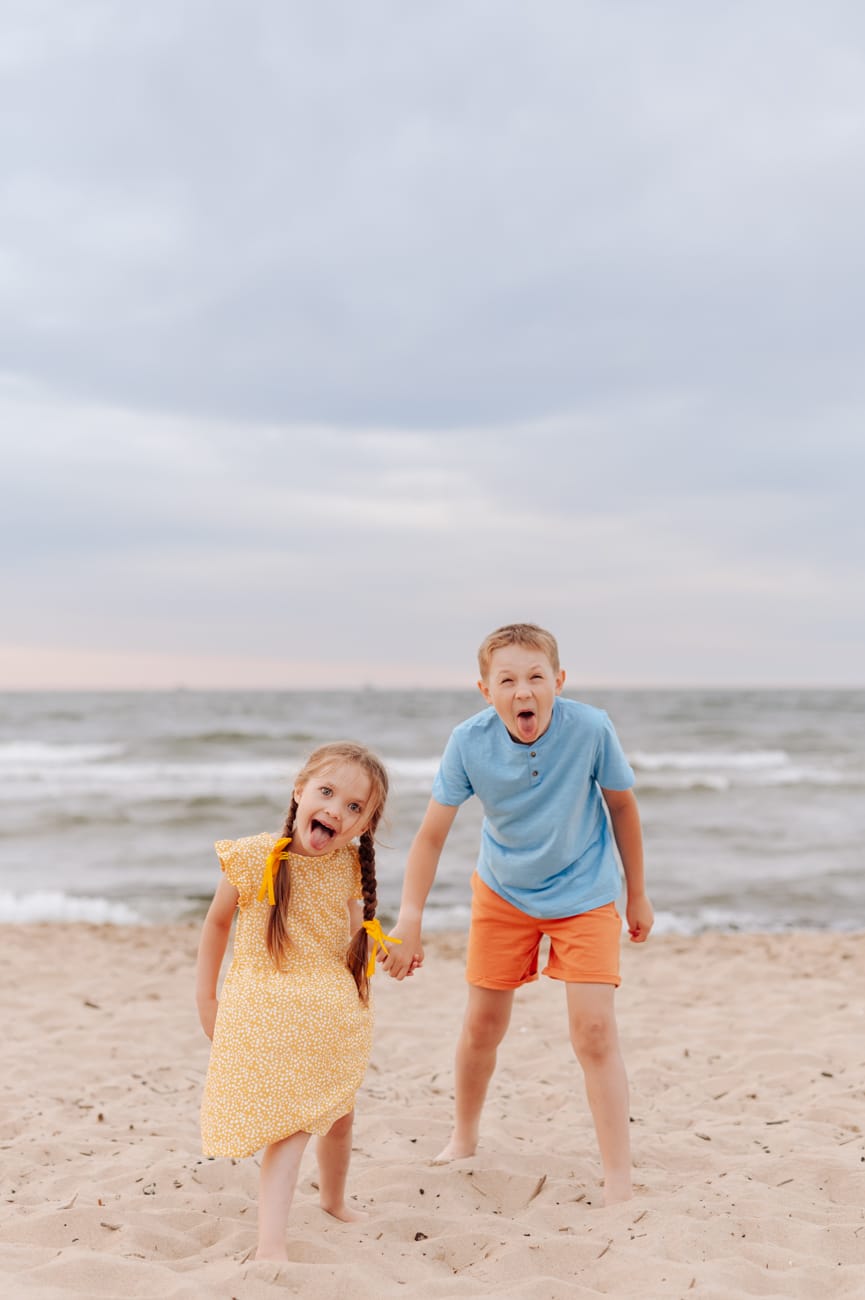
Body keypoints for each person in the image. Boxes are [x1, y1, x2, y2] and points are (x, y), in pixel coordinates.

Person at [382, 623, 653, 1205]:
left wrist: (637, 893)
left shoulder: (591, 729)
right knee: (483, 1025)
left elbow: (623, 808)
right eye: (506, 680)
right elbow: (431, 837)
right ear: (485, 690)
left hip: (585, 891)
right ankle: (463, 1136)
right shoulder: (468, 742)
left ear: (559, 681)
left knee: (594, 1031)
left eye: (535, 677)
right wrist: (409, 919)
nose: (522, 691)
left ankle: (618, 1177)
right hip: (503, 892)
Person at [196, 741, 398, 1261]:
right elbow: (216, 924)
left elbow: (357, 937)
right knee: (294, 1127)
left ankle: (333, 1199)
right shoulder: (254, 856)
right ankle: (271, 1245)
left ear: (364, 824)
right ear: (299, 790)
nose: (336, 810)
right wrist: (207, 998)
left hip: (327, 1006)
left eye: (354, 807)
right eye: (326, 792)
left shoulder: (348, 867)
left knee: (339, 1111)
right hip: (267, 1003)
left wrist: (388, 952)